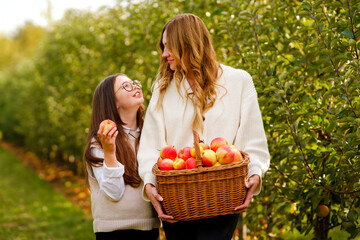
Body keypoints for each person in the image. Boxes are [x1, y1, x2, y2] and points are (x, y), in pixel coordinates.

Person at [137, 13, 270, 240]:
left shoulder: (238, 81)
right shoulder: (163, 87)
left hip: (223, 198)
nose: (164, 54)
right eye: (163, 47)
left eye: (170, 47)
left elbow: (253, 141)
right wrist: (149, 185)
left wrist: (255, 175)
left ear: (189, 44)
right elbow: (150, 144)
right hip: (177, 200)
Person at [83, 73, 160, 240]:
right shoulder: (100, 142)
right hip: (113, 232)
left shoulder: (150, 135)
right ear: (113, 102)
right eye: (126, 86)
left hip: (148, 227)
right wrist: (110, 151)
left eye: (134, 83)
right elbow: (114, 192)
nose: (135, 87)